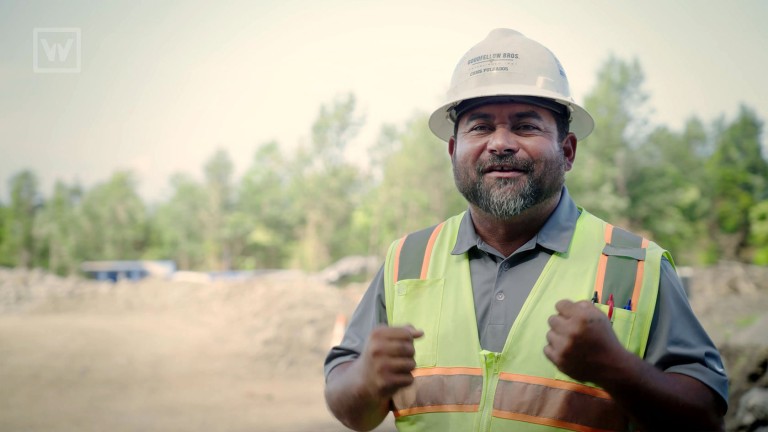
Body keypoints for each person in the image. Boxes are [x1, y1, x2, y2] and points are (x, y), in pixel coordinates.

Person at [324, 28, 728, 432]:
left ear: (567, 151)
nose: (500, 143)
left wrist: (617, 370)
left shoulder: (636, 268)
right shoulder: (407, 260)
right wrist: (365, 380)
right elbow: (352, 411)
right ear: (453, 151)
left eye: (525, 126)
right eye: (480, 127)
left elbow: (706, 419)